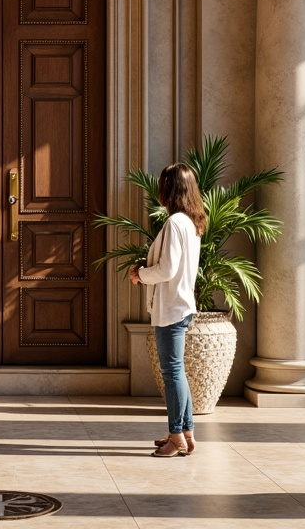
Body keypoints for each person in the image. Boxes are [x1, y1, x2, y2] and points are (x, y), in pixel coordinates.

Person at [130, 163, 205, 457]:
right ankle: (186, 432)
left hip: (172, 308)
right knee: (177, 371)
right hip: (181, 304)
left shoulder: (175, 223)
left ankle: (176, 436)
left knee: (172, 372)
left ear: (170, 189)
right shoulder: (191, 222)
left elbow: (167, 269)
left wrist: (141, 275)